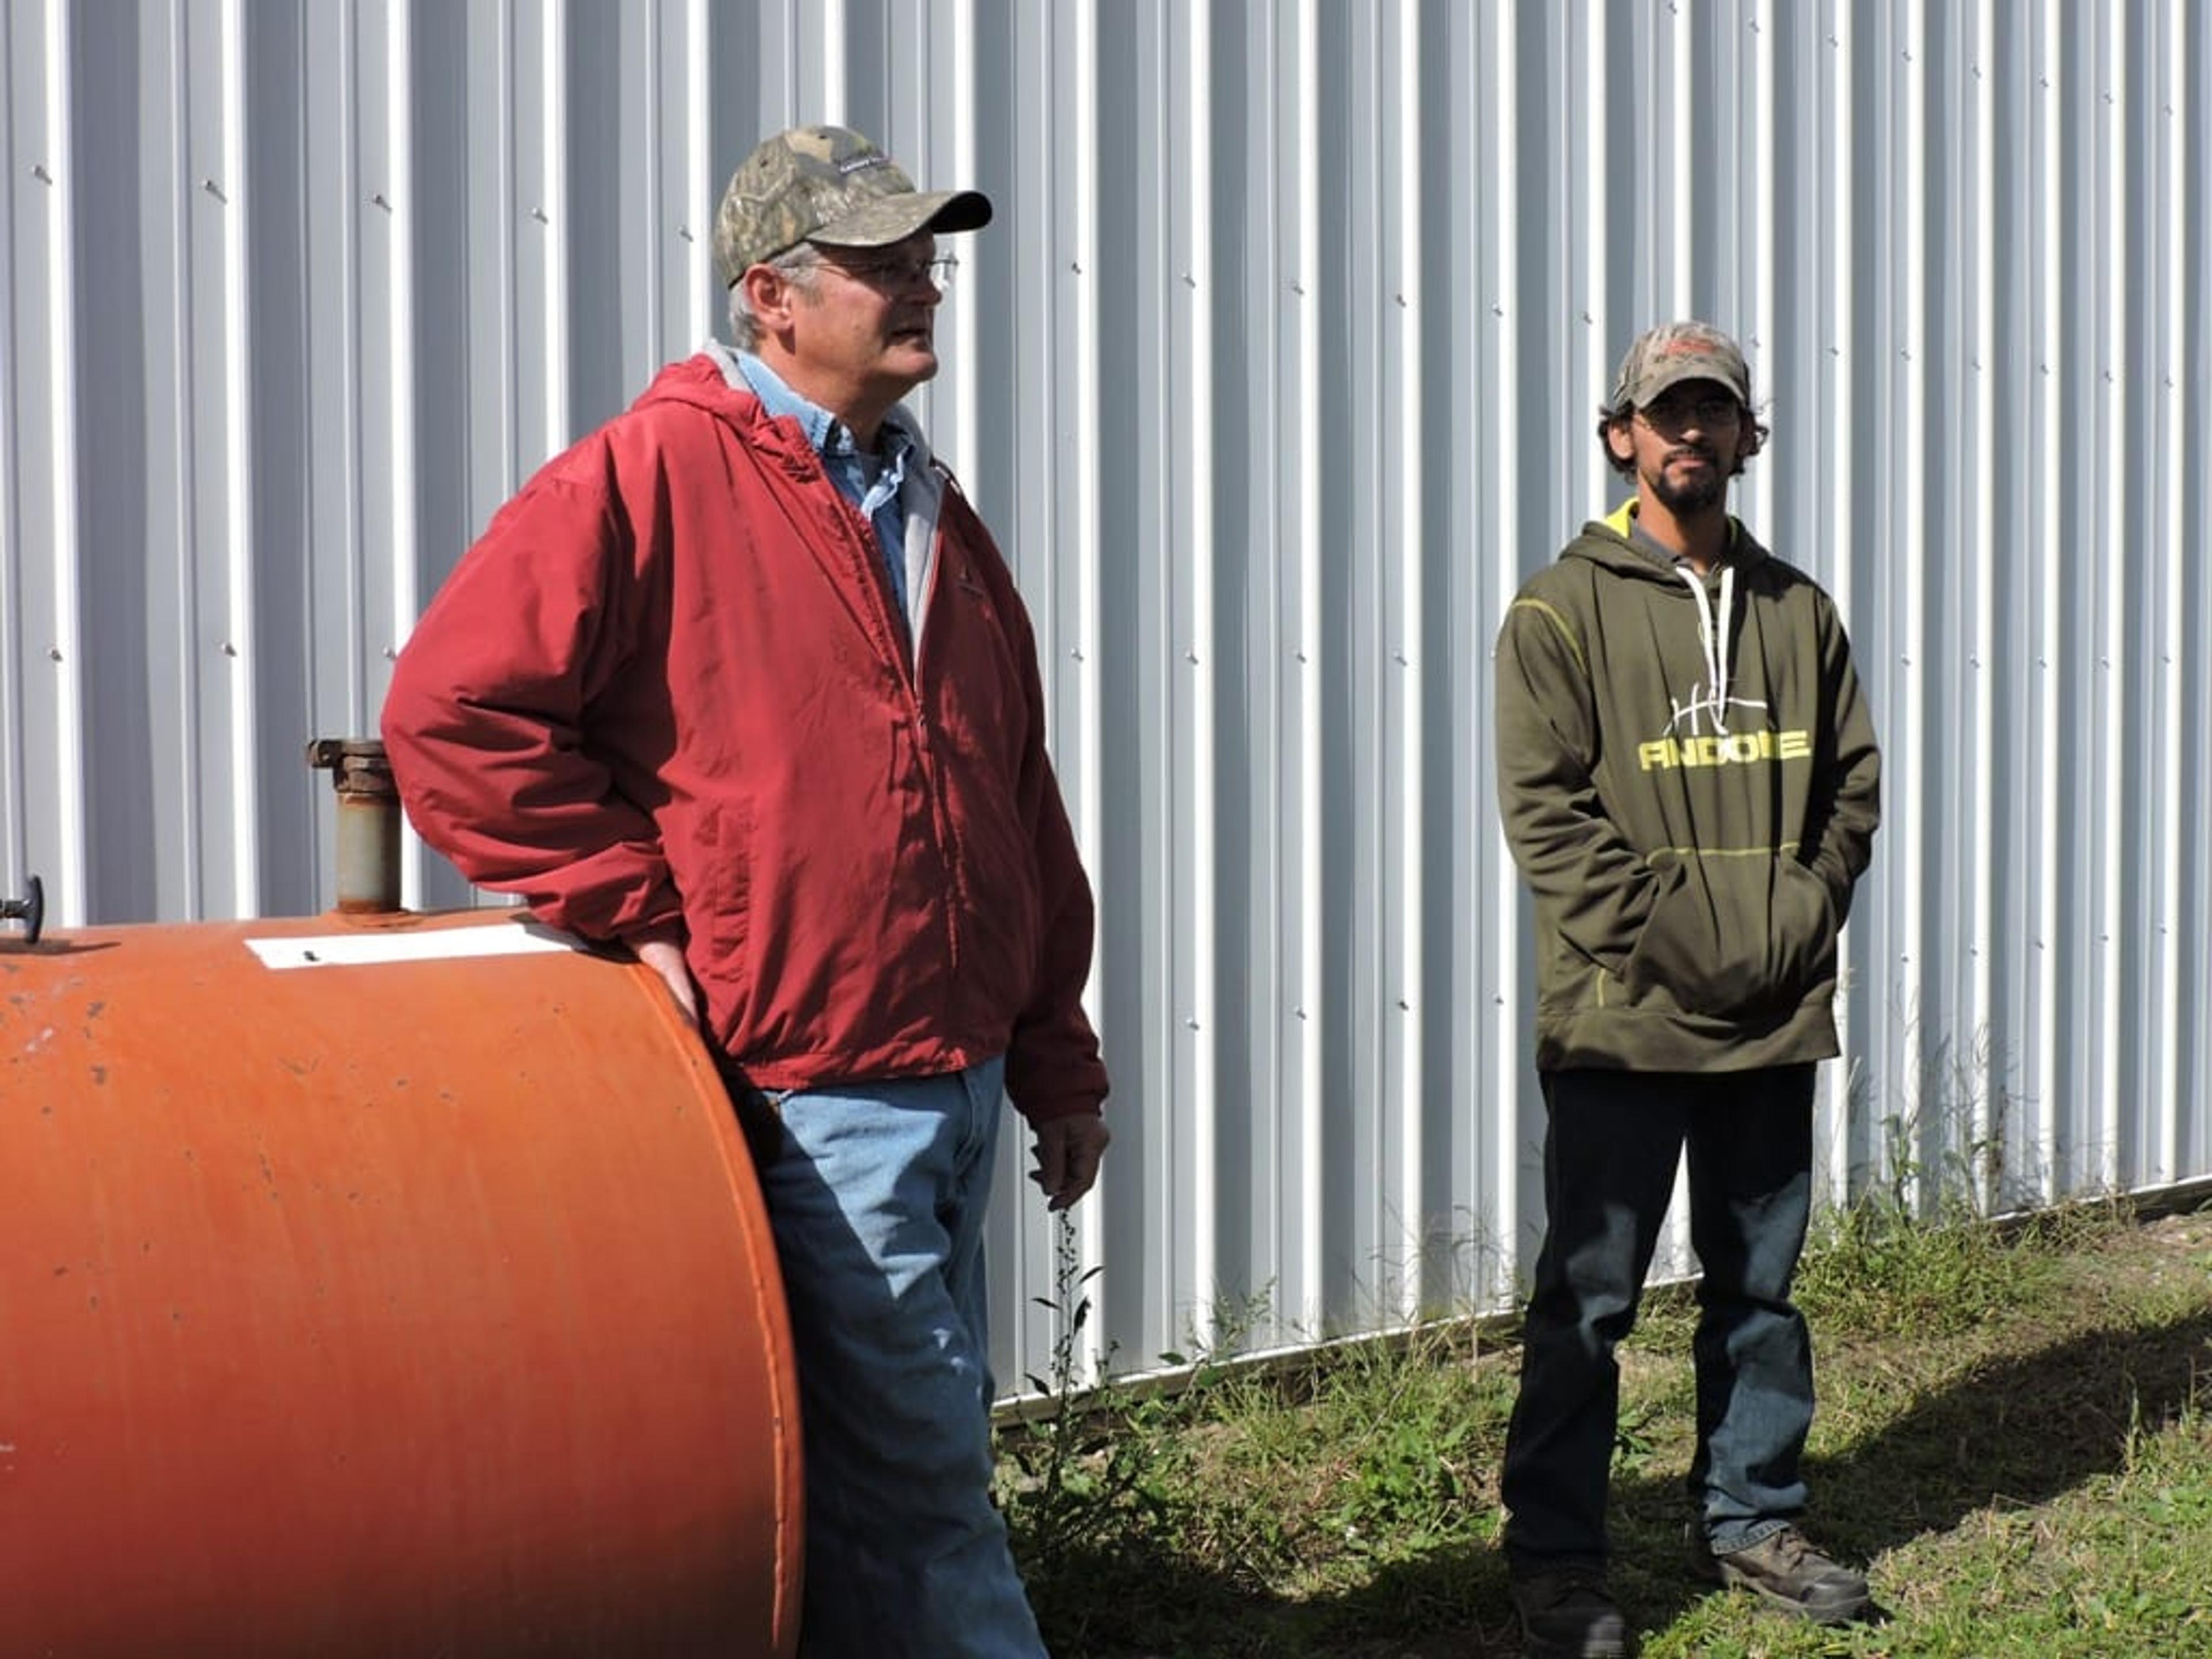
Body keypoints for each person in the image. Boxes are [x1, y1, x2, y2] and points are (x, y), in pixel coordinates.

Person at [380, 123, 1110, 1658]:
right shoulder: (651, 475)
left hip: (961, 1076)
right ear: (774, 298)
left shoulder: (929, 508)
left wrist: (1053, 1058)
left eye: (931, 255)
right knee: (925, 1498)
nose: (925, 285)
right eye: (885, 261)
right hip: (815, 1090)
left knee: (893, 1478)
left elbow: (1014, 794)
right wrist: (642, 902)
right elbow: (454, 716)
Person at [1490, 320, 1881, 1658]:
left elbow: (1851, 792)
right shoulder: (1559, 609)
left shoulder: (1799, 610)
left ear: (1747, 438)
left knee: (1759, 1293)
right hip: (1618, 1023)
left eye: (1714, 413)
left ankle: (1754, 1519)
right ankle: (1556, 1559)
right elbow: (1550, 825)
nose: (1690, 435)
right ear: (1622, 436)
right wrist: (1699, 944)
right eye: (1667, 414)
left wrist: (1799, 914)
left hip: (1772, 1022)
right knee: (1588, 1305)